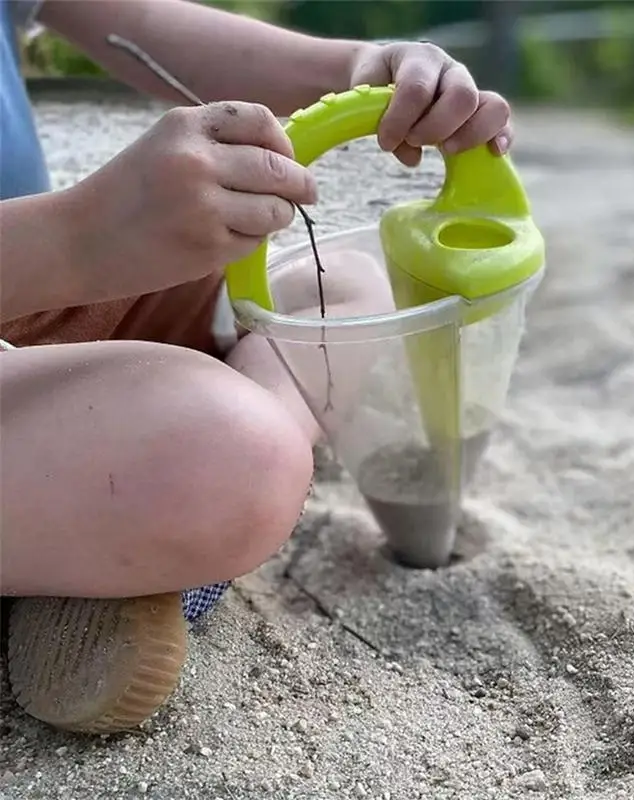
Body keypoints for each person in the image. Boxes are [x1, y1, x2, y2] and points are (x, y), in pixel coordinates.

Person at [0, 0, 513, 734]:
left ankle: (96, 550)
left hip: (50, 295)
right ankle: (139, 559)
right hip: (51, 258)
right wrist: (76, 238)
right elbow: (77, 242)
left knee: (343, 291)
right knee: (233, 451)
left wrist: (359, 71)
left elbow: (143, 22)